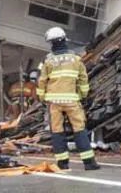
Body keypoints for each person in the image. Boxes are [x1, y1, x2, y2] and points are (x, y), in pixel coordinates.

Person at [37, 27, 100, 171]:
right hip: (72, 101)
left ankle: (62, 164)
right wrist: (83, 95)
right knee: (79, 129)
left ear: (51, 43)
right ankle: (89, 163)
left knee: (57, 132)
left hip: (54, 102)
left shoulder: (48, 61)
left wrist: (42, 97)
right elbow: (83, 79)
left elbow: (42, 81)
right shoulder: (76, 59)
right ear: (65, 40)